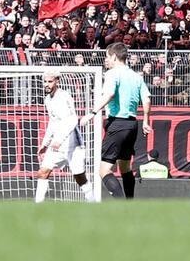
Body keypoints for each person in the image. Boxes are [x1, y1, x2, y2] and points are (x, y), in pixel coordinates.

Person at [94, 44, 149, 201]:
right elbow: (146, 99)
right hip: (132, 125)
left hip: (117, 123)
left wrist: (92, 112)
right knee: (125, 167)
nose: (106, 60)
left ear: (113, 57)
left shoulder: (112, 74)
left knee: (104, 170)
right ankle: (130, 203)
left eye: (107, 57)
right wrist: (145, 121)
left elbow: (110, 93)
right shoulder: (137, 76)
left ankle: (121, 206)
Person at [35, 73, 88, 203]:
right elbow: (52, 122)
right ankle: (37, 205)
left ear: (57, 81)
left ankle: (92, 200)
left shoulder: (63, 97)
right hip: (56, 144)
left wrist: (59, 139)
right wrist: (45, 143)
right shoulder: (48, 99)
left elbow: (72, 120)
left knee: (79, 177)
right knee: (43, 172)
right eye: (45, 81)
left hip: (72, 143)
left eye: (50, 81)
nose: (47, 84)